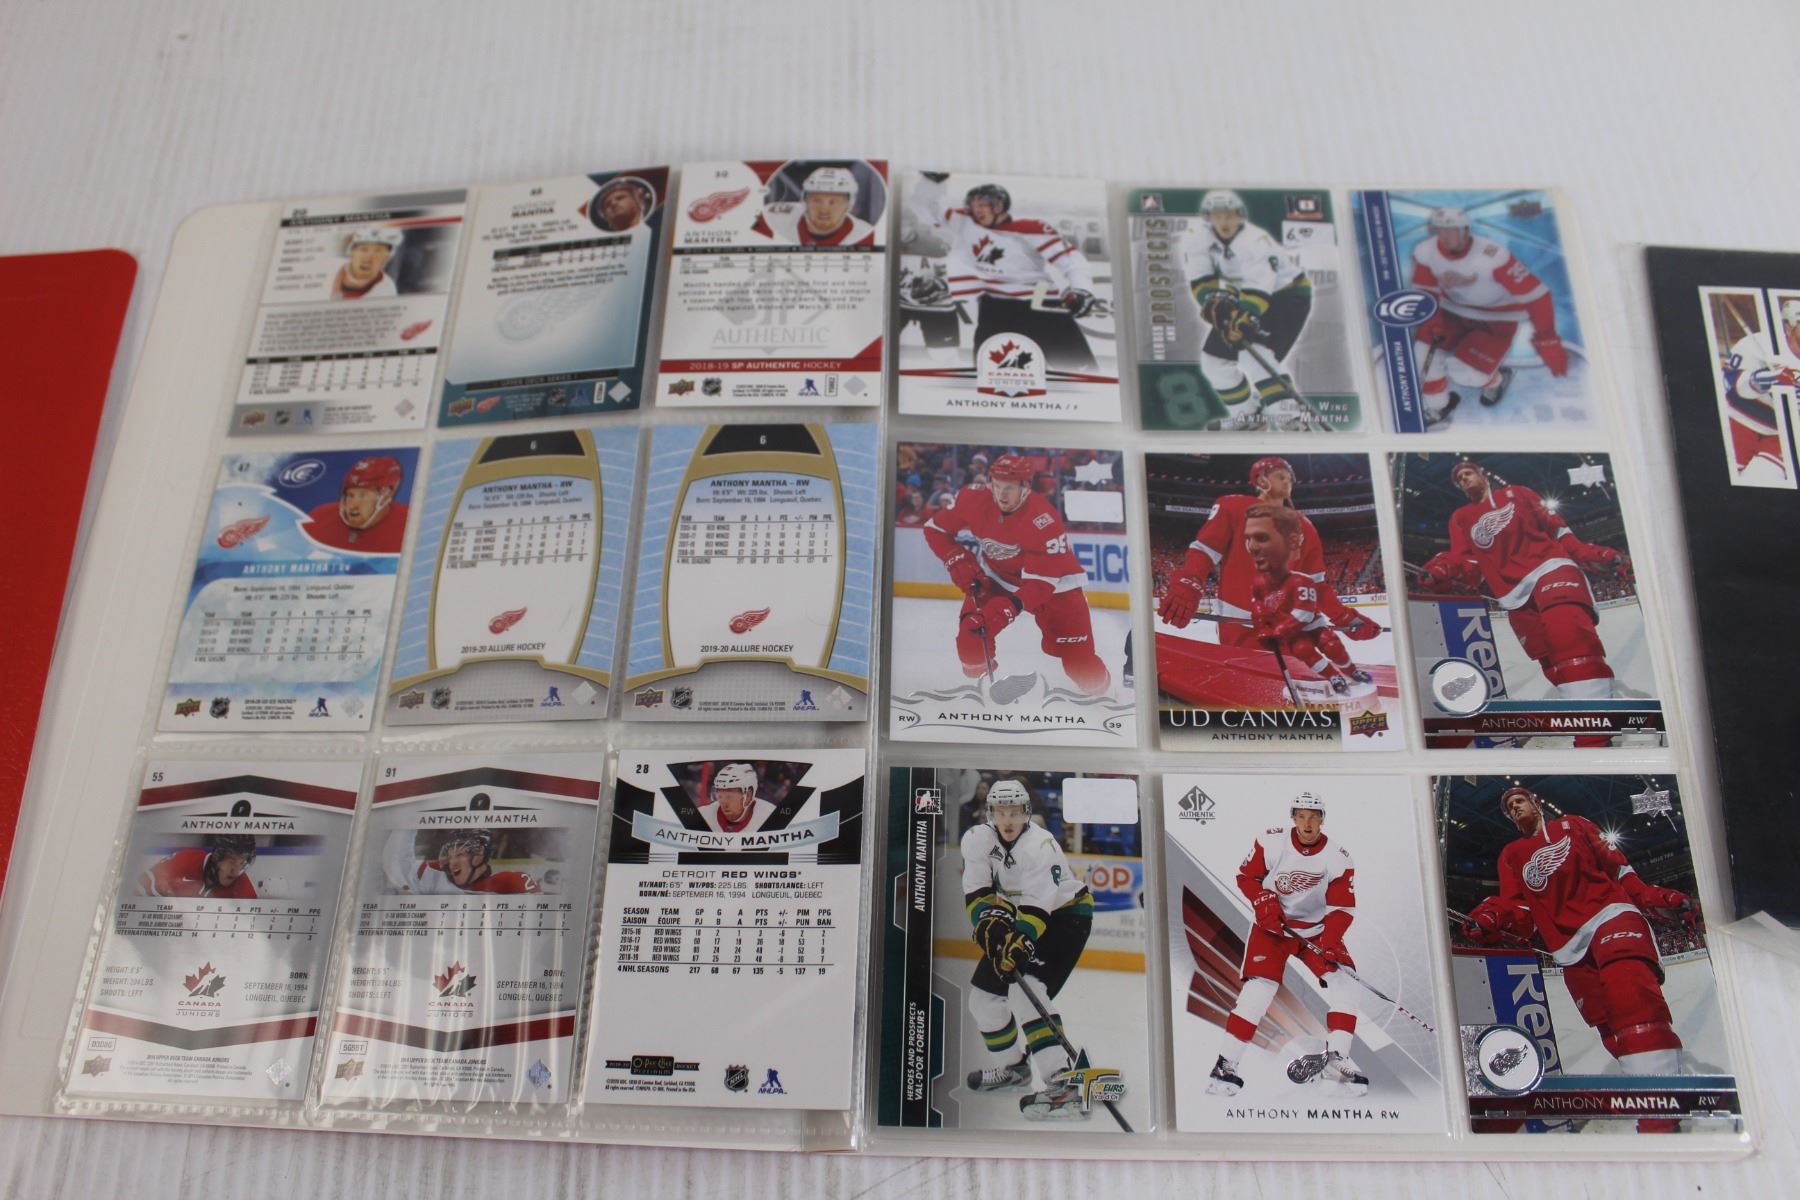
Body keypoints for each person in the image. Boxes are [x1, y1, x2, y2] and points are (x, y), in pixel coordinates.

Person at [1464, 785, 1698, 1130]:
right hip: (1568, 947)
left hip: (1611, 915)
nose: (1515, 808)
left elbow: (1619, 870)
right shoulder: (1511, 856)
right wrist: (1492, 916)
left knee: (1632, 1001)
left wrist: (1651, 896)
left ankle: (1660, 1118)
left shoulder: (1574, 825)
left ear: (1536, 802)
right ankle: (1653, 1091)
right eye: (1510, 807)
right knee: (1612, 1031)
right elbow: (1521, 910)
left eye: (1519, 801)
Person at [1418, 459, 1631, 745]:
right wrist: (1445, 568)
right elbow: (1470, 563)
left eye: (1468, 473)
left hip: (1551, 567)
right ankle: (1587, 717)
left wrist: (1590, 554)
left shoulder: (1518, 493)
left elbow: (1558, 531)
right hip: (1512, 594)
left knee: (1568, 637)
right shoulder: (1461, 518)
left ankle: (1594, 737)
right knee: (1551, 662)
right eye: (1459, 479)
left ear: (1483, 473)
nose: (1464, 479)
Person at [1207, 792, 1367, 1097]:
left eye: (1314, 817)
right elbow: (1246, 876)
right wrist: (1262, 900)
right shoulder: (1271, 841)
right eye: (1301, 816)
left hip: (1315, 932)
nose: (1307, 823)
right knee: (1259, 990)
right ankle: (1225, 1065)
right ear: (1293, 817)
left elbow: (1342, 907)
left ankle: (1336, 1061)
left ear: (1322, 820)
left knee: (1347, 984)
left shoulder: (1338, 858)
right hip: (1272, 930)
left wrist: (1331, 941)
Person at [959, 779, 1096, 1120]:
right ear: (989, 813)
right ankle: (1014, 1069)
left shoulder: (1041, 845)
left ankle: (1062, 1081)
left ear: (1027, 813)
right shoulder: (977, 840)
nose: (1008, 820)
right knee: (983, 1000)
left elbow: (1038, 908)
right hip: (1020, 913)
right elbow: (977, 892)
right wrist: (988, 923)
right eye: (1001, 812)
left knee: (1025, 991)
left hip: (1065, 916)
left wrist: (1019, 943)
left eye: (1015, 812)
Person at [922, 454, 1110, 697]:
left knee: (1079, 663)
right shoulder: (972, 498)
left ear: (1026, 487)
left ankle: (1105, 697)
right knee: (972, 635)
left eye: (1009, 488)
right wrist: (956, 559)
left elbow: (1039, 587)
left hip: (1057, 588)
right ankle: (982, 699)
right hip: (998, 577)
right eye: (996, 486)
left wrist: (1007, 609)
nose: (1001, 495)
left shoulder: (1043, 520)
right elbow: (935, 529)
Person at [908, 173, 1100, 370]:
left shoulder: (1031, 228)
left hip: (1040, 301)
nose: (976, 210)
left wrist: (1081, 289)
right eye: (973, 205)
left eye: (982, 205)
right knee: (988, 373)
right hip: (995, 308)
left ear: (999, 206)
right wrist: (932, 182)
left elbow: (1072, 260)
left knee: (1081, 372)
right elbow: (925, 207)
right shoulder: (965, 222)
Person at [1409, 207, 1568, 425]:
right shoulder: (1426, 252)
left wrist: (1548, 338)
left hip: (1497, 318)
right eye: (1441, 230)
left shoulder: (1492, 255)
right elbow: (1426, 292)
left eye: (1452, 230)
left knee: (1467, 375)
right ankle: (1438, 406)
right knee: (1421, 355)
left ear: (1465, 230)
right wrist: (1433, 322)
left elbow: (1537, 295)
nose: (1445, 237)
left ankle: (1497, 380)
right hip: (1452, 311)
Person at [1157, 456, 1324, 647]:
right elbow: (1205, 549)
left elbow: (1315, 583)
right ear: (1261, 480)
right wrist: (1190, 581)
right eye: (1280, 476)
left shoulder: (1304, 526)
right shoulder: (1234, 507)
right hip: (1242, 630)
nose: (1287, 482)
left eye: (1289, 478)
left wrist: (1341, 616)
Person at [1182, 189, 1314, 430]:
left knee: (1255, 354)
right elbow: (1201, 279)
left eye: (1230, 215)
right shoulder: (1196, 236)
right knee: (1214, 361)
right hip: (1244, 295)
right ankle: (1248, 417)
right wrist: (1214, 304)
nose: (1224, 221)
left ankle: (1291, 420)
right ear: (1208, 217)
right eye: (1218, 216)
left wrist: (1245, 317)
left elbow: (1261, 286)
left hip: (1287, 295)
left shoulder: (1255, 240)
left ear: (1239, 216)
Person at [1244, 505, 1381, 695]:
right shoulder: (1259, 581)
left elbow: (1304, 613)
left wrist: (1279, 630)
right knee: (1302, 649)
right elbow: (1258, 605)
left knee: (1331, 644)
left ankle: (1351, 671)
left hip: (1310, 625)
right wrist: (1262, 627)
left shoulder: (1301, 579)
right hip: (1290, 633)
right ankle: (1333, 676)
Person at [1717, 297, 1800, 479]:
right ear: (1790, 326)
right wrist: (1765, 378)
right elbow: (1729, 381)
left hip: (1781, 436)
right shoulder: (1757, 344)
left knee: (1761, 478)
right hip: (1741, 422)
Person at [385, 828, 541, 895]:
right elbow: (397, 866)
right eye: (450, 856)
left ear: (479, 854)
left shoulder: (511, 882)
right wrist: (411, 819)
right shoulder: (437, 875)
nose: (452, 862)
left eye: (459, 855)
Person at [303, 456, 408, 553]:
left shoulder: (409, 522)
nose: (353, 505)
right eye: (350, 495)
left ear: (386, 494)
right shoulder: (319, 518)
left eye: (363, 496)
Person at [756, 166, 877, 246]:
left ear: (848, 205)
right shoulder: (775, 216)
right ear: (805, 201)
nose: (824, 209)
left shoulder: (864, 234)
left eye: (833, 202)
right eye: (817, 200)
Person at [138, 835, 258, 899]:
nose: (236, 870)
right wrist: (159, 887)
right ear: (217, 857)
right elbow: (140, 885)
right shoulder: (188, 859)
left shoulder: (244, 890)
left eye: (242, 863)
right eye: (231, 861)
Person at [698, 762, 774, 833]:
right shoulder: (704, 814)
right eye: (720, 796)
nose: (723, 804)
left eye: (729, 797)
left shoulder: (769, 814)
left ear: (748, 796)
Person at [330, 228, 402, 300]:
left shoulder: (387, 289)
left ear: (387, 257)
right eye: (363, 249)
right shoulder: (330, 270)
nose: (368, 257)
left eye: (378, 251)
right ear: (352, 252)